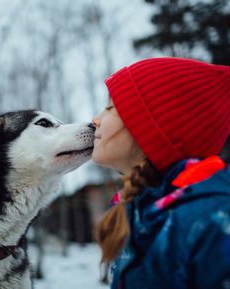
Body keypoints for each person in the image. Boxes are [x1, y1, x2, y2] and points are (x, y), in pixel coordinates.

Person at [91, 57, 230, 289]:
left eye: (111, 108)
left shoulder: (213, 223)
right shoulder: (142, 216)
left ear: (152, 127)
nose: (96, 120)